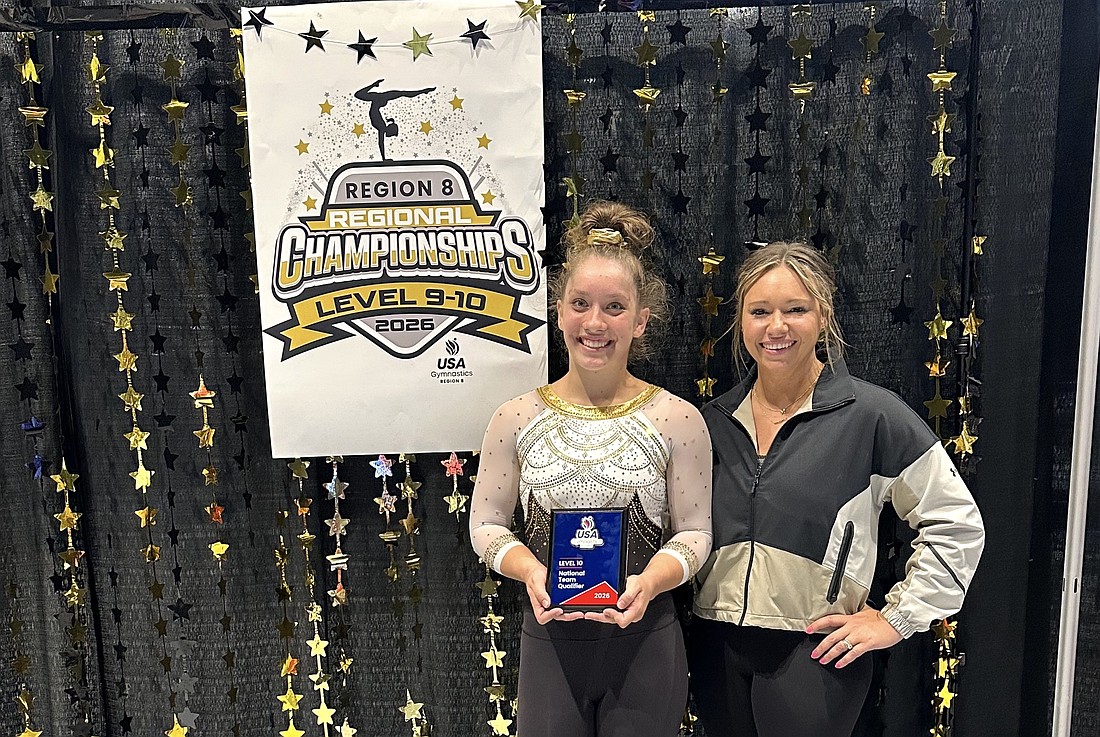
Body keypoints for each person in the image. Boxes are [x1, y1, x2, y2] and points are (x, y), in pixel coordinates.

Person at [689, 242, 985, 737]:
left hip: (814, 651)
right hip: (716, 647)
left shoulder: (872, 417)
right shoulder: (711, 422)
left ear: (823, 317)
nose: (776, 327)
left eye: (795, 310)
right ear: (740, 321)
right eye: (759, 311)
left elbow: (956, 522)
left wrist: (896, 619)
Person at [470, 201, 713, 737]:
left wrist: (650, 582)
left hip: (646, 640)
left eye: (614, 307)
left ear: (641, 320)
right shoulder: (514, 417)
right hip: (550, 646)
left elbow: (695, 533)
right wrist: (530, 570)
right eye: (580, 303)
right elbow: (485, 523)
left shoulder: (677, 419)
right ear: (558, 311)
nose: (595, 323)